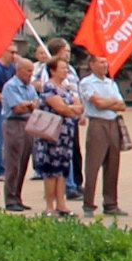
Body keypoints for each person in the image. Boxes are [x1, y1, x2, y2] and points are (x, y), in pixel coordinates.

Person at [33, 55, 85, 219]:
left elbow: (79, 107)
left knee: (63, 170)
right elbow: (62, 109)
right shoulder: (49, 88)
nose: (66, 71)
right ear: (52, 70)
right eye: (62, 68)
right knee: (51, 171)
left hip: (66, 135)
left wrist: (72, 108)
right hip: (51, 136)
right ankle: (49, 206)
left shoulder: (66, 88)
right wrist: (71, 109)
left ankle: (61, 204)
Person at [79, 52, 129, 217]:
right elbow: (97, 104)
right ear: (92, 64)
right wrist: (111, 103)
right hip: (97, 123)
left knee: (113, 164)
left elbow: (122, 105)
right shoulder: (87, 83)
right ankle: (88, 204)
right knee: (93, 165)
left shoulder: (111, 83)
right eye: (101, 62)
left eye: (106, 63)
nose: (105, 66)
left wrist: (109, 104)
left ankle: (111, 203)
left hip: (113, 123)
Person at [0, 46, 41, 213]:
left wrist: (28, 105)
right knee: (13, 163)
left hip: (28, 124)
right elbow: (18, 108)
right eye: (28, 71)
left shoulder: (29, 87)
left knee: (23, 162)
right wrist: (28, 105)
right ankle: (10, 199)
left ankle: (18, 196)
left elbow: (35, 104)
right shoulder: (11, 86)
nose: (31, 74)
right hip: (14, 125)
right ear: (19, 70)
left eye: (32, 71)